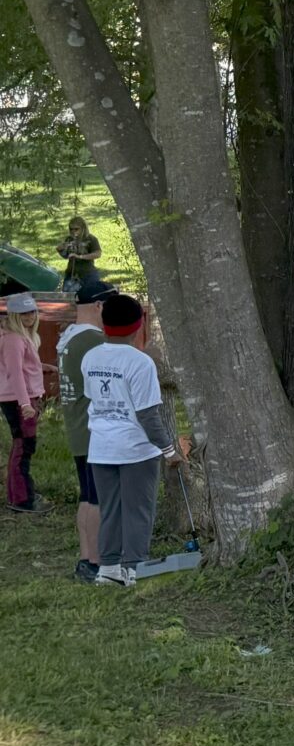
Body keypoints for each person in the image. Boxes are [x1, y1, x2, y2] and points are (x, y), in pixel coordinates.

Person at [81, 293, 180, 588]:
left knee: (110, 508)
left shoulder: (91, 357)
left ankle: (108, 568)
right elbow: (148, 415)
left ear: (104, 323)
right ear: (138, 326)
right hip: (137, 449)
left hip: (100, 446)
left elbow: (93, 397)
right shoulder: (141, 363)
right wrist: (169, 450)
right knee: (138, 509)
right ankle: (135, 567)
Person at [57, 281, 114, 579]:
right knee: (97, 500)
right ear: (99, 306)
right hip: (94, 431)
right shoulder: (93, 341)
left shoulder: (69, 337)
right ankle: (97, 562)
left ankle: (85, 557)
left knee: (87, 496)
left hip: (77, 428)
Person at [2, 293, 48, 513]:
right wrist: (25, 404)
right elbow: (15, 374)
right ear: (14, 315)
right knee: (23, 447)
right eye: (23, 313)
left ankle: (18, 494)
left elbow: (25, 366)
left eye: (32, 312)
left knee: (22, 446)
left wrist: (45, 367)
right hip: (20, 399)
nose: (29, 317)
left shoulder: (24, 336)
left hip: (24, 397)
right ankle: (23, 500)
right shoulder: (13, 339)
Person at [57, 217, 101, 292]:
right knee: (68, 298)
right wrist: (60, 250)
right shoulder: (69, 239)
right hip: (71, 274)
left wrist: (80, 257)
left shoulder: (91, 239)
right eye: (71, 229)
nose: (73, 231)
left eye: (76, 229)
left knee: (88, 298)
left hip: (87, 273)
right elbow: (66, 256)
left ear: (83, 228)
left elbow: (97, 254)